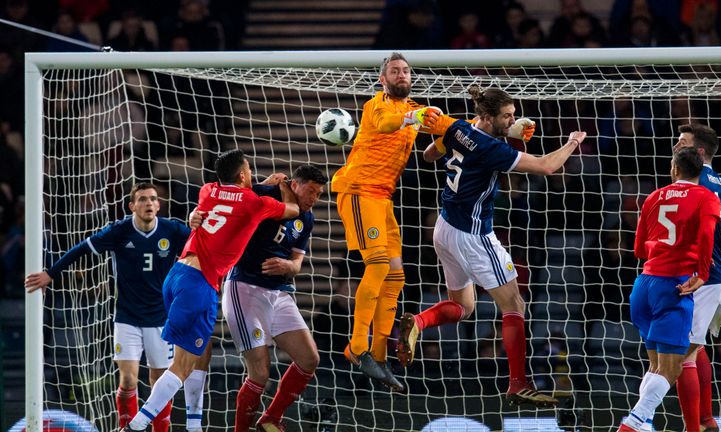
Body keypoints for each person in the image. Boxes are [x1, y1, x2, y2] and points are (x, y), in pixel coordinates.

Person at [396, 84, 585, 407]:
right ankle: (518, 384)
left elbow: (430, 155)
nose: (514, 119)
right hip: (473, 234)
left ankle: (419, 321)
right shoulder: (489, 149)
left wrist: (507, 130)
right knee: (514, 305)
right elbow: (546, 166)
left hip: (444, 227)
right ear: (488, 116)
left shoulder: (459, 128)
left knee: (465, 307)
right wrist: (571, 143)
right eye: (507, 116)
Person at [120, 149, 299, 432]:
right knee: (182, 365)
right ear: (242, 175)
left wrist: (263, 182)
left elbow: (233, 197)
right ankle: (136, 425)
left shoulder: (208, 190)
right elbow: (294, 210)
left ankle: (193, 426)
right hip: (200, 284)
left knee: (202, 351)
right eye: (250, 170)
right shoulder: (254, 203)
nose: (252, 175)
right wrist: (283, 186)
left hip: (178, 276)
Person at [24, 183, 199, 432]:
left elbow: (202, 242)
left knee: (159, 382)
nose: (148, 203)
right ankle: (125, 428)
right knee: (128, 380)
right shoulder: (120, 231)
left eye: (152, 199)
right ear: (132, 206)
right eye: (142, 199)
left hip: (161, 318)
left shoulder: (172, 230)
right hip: (126, 318)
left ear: (159, 205)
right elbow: (82, 249)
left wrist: (197, 220)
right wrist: (51, 273)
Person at [330, 51, 454, 390]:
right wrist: (418, 116)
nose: (401, 74)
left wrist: (497, 126)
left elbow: (451, 127)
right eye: (394, 71)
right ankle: (357, 348)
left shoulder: (413, 108)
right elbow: (387, 125)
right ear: (383, 79)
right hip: (358, 192)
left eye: (405, 71)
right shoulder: (377, 106)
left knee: (397, 274)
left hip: (383, 198)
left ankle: (380, 353)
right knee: (379, 265)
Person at [197, 165, 327, 432]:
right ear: (294, 183)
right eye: (311, 191)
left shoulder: (307, 218)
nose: (314, 198)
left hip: (279, 293)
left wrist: (288, 267)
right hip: (244, 287)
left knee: (309, 359)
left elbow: (297, 262)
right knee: (260, 374)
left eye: (319, 194)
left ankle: (270, 417)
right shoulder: (264, 193)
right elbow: (224, 199)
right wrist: (195, 214)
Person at [617, 147, 721, 432]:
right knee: (674, 367)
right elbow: (705, 235)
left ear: (674, 170)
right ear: (699, 172)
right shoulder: (707, 197)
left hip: (644, 286)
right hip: (673, 286)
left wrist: (661, 246)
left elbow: (638, 249)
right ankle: (632, 424)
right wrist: (702, 273)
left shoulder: (653, 197)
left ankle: (644, 424)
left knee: (656, 367)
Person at [671, 124, 721, 432]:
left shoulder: (693, 182)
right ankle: (707, 419)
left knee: (682, 354)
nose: (676, 145)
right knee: (697, 347)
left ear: (699, 152)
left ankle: (694, 426)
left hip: (704, 277)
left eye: (683, 142)